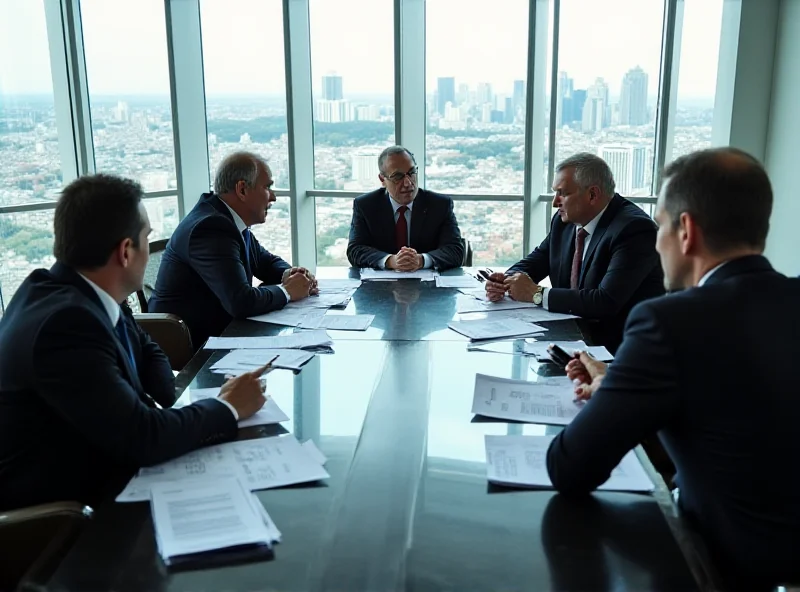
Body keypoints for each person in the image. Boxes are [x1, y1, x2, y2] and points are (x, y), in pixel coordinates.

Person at [546, 148, 800, 590]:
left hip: (726, 562)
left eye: (661, 225)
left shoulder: (668, 322)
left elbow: (570, 467)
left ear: (686, 232)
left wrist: (609, 395)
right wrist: (619, 383)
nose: (657, 239)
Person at [0, 175, 270, 511]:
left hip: (104, 465)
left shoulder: (80, 290)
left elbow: (146, 349)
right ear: (125, 251)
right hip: (67, 517)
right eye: (146, 239)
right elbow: (143, 439)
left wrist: (172, 402)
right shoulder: (65, 324)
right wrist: (228, 407)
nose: (149, 250)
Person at [484, 153, 664, 351]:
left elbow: (605, 302)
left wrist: (536, 294)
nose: (555, 202)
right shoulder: (565, 221)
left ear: (592, 195)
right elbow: (536, 260)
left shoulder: (634, 229)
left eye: (563, 193)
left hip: (617, 348)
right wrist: (505, 281)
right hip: (569, 338)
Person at [150, 152, 316, 349]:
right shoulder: (211, 227)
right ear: (242, 189)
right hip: (193, 344)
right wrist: (288, 291)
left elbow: (266, 262)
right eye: (267, 187)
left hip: (223, 332)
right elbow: (241, 302)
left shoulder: (226, 219)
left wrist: (293, 274)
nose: (274, 197)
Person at [346, 146, 464, 271]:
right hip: (380, 287)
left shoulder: (440, 205)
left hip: (429, 287)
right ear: (382, 179)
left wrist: (421, 260)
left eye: (412, 173)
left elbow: (455, 250)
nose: (408, 183)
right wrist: (390, 261)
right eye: (398, 176)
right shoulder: (366, 206)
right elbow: (355, 250)